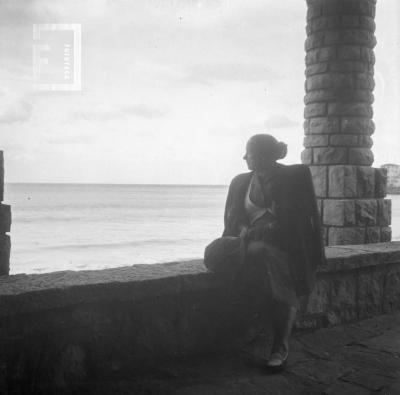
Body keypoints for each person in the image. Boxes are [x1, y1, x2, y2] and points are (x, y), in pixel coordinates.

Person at [205, 133, 326, 372]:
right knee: (234, 256)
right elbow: (234, 218)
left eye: (248, 153)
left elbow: (300, 220)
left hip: (287, 247)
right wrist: (244, 231)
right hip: (249, 244)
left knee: (268, 260)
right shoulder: (240, 182)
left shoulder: (294, 177)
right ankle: (257, 331)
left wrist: (267, 231)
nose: (244, 158)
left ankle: (280, 346)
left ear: (262, 155)